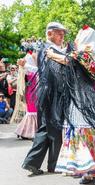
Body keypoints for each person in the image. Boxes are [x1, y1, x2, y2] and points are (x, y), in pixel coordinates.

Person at [45, 25, 95, 184]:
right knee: (88, 131)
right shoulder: (89, 53)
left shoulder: (85, 53)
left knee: (81, 130)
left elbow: (68, 61)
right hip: (82, 98)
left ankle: (86, 169)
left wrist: (51, 54)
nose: (75, 38)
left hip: (80, 99)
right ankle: (92, 168)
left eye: (78, 36)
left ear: (84, 38)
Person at [22, 22, 68, 175]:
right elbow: (56, 72)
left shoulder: (44, 49)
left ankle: (34, 162)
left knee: (46, 128)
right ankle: (52, 164)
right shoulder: (48, 50)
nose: (62, 36)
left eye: (63, 33)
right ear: (50, 34)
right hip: (51, 93)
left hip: (47, 93)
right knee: (53, 127)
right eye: (59, 33)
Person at [15, 48, 38, 139]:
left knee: (32, 112)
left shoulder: (29, 72)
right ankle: (28, 132)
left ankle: (24, 131)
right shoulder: (30, 72)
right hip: (32, 92)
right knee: (32, 112)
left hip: (32, 92)